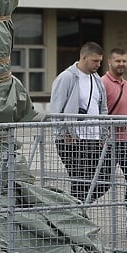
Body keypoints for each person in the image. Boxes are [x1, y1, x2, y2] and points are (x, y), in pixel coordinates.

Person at [49, 42, 108, 203]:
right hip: (73, 140)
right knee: (80, 182)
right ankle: (76, 217)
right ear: (84, 57)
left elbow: (102, 108)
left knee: (104, 180)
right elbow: (56, 108)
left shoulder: (96, 79)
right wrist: (64, 133)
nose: (98, 65)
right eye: (95, 61)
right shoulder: (67, 77)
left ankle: (75, 211)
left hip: (94, 140)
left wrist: (103, 134)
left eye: (100, 61)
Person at [100, 48, 127, 237]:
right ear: (109, 62)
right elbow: (98, 114)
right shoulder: (103, 84)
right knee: (102, 183)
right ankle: (77, 212)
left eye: (124, 61)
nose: (121, 64)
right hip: (110, 143)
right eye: (118, 61)